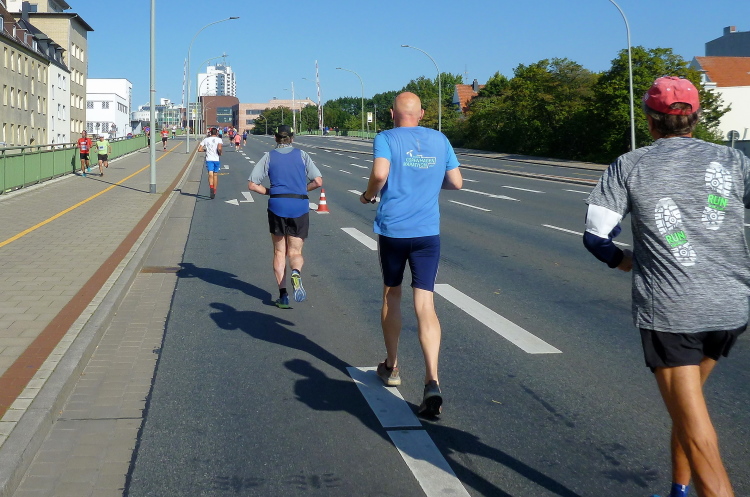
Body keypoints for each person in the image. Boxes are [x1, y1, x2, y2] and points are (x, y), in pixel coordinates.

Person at [583, 76, 750, 497]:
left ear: (650, 120)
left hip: (673, 310)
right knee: (688, 410)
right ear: (697, 117)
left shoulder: (631, 164)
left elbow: (595, 236)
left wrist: (623, 260)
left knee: (696, 429)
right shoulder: (733, 160)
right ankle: (679, 490)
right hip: (730, 306)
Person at [359, 92, 462, 417]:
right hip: (427, 233)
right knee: (425, 304)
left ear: (392, 114)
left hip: (394, 232)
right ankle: (432, 380)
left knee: (392, 295)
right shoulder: (440, 139)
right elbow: (456, 182)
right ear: (422, 114)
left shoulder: (386, 138)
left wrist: (368, 195)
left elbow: (380, 175)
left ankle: (392, 367)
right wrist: (427, 182)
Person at [248, 125, 323, 309]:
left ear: (275, 138)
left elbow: (252, 184)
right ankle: (296, 272)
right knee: (295, 252)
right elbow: (318, 181)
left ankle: (283, 296)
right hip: (299, 205)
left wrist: (270, 192)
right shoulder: (302, 155)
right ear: (292, 138)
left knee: (279, 252)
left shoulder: (269, 156)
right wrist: (301, 189)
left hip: (277, 205)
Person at [198, 127, 223, 199]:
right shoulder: (219, 139)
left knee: (210, 174)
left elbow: (199, 149)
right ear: (217, 133)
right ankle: (214, 190)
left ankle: (211, 187)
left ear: (210, 133)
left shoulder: (206, 139)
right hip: (216, 159)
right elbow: (219, 148)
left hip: (209, 159)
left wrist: (205, 150)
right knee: (215, 175)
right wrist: (220, 153)